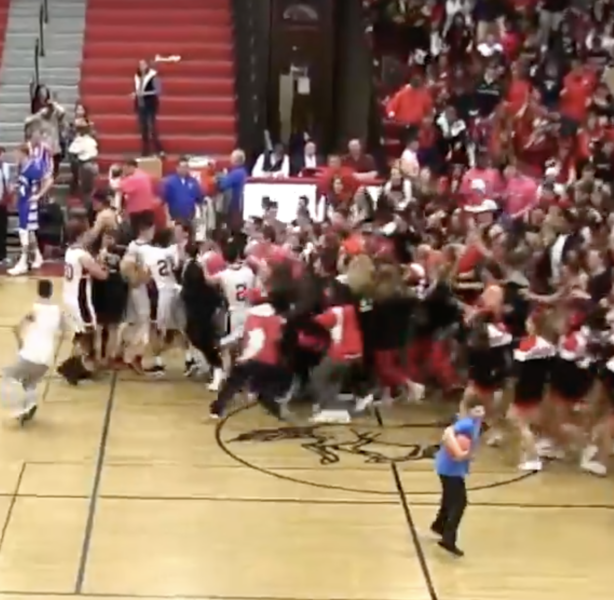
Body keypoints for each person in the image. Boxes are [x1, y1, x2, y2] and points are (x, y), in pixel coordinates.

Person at [2, 279, 64, 423]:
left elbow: (17, 329)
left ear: (38, 291)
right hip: (46, 358)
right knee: (30, 383)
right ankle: (30, 404)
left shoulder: (34, 308)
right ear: (51, 292)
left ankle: (20, 407)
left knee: (9, 377)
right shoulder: (58, 311)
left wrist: (20, 343)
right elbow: (64, 332)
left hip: (31, 354)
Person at [431, 396, 484, 557]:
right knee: (460, 502)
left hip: (451, 467)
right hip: (449, 468)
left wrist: (469, 455)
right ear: (469, 411)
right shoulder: (467, 423)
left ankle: (439, 525)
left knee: (449, 498)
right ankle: (448, 539)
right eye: (477, 411)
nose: (481, 413)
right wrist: (460, 453)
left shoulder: (476, 423)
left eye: (482, 410)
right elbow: (447, 434)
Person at [8, 143, 53, 276]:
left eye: (17, 153)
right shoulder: (22, 167)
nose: (15, 156)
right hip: (23, 201)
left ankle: (23, 262)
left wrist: (38, 195)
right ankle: (37, 256)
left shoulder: (33, 168)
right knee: (30, 232)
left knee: (24, 232)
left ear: (23, 154)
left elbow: (49, 180)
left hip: (29, 204)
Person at [134, 59, 164, 156]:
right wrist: (136, 94)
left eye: (143, 64)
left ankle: (159, 149)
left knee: (152, 127)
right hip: (140, 104)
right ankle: (145, 150)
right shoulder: (137, 76)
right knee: (143, 128)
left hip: (150, 104)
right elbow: (138, 89)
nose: (141, 67)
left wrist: (144, 93)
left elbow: (158, 90)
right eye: (140, 65)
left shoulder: (153, 76)